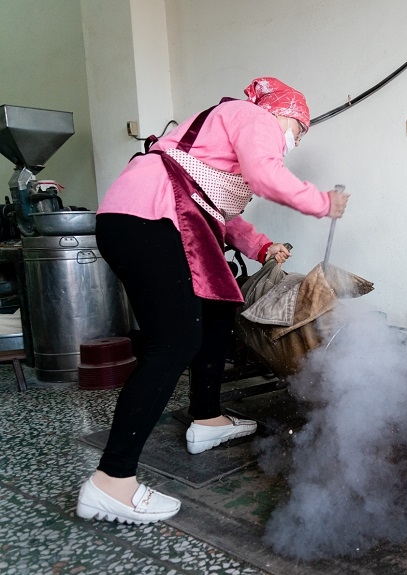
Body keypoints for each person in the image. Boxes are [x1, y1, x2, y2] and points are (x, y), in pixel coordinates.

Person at [75, 77, 350, 525]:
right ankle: (112, 480)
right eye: (298, 131)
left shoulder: (212, 144)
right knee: (174, 344)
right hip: (150, 221)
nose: (294, 141)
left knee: (218, 309)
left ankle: (206, 419)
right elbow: (265, 174)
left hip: (136, 220)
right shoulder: (254, 115)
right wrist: (322, 202)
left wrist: (262, 248)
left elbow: (220, 215)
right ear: (284, 113)